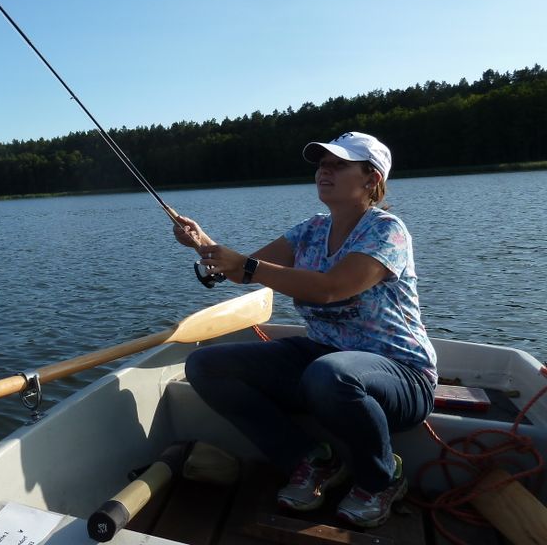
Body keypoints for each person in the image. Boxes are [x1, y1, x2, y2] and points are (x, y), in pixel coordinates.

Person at [172, 131, 436, 528]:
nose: (324, 170)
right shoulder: (309, 230)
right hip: (325, 363)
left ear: (372, 180)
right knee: (206, 366)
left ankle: (381, 479)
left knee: (330, 375)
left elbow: (331, 289)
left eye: (338, 164)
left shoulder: (387, 231)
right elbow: (244, 271)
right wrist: (203, 243)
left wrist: (244, 265)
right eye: (322, 164)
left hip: (400, 375)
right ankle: (311, 461)